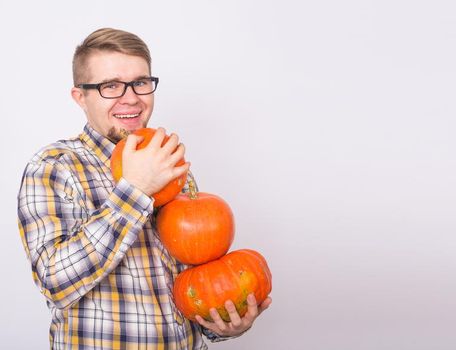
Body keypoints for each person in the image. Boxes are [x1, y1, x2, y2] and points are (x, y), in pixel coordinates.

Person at [17, 28, 271, 349]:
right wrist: (135, 189)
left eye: (140, 82)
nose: (131, 97)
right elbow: (55, 283)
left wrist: (220, 323)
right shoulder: (54, 165)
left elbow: (190, 284)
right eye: (110, 86)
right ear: (80, 97)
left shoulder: (172, 166)